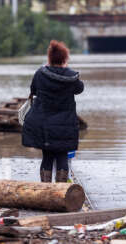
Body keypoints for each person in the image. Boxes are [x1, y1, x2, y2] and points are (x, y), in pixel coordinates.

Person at [22, 40, 84, 183]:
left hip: (45, 126)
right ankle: (62, 192)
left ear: (49, 58)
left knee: (47, 156)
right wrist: (66, 69)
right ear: (65, 59)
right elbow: (80, 89)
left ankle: (46, 190)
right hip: (65, 126)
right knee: (62, 156)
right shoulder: (72, 77)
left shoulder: (40, 74)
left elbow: (33, 90)